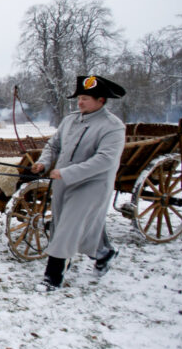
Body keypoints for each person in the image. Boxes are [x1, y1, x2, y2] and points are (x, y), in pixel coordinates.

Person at [31, 75, 126, 290]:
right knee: (71, 224)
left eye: (86, 98)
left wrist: (66, 173)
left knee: (68, 226)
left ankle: (52, 277)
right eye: (79, 98)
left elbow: (105, 160)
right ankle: (104, 253)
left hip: (92, 184)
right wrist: (43, 164)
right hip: (63, 182)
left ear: (101, 101)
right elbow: (53, 146)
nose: (80, 102)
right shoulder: (70, 120)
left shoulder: (113, 127)